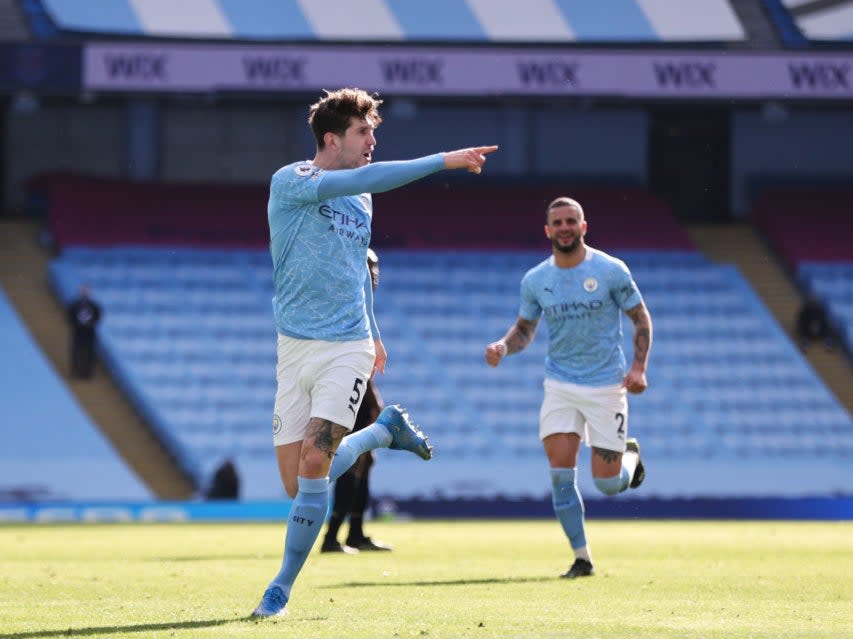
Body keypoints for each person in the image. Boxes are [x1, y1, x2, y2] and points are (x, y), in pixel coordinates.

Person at [252, 87, 498, 618]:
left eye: (374, 133)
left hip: (347, 343)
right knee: (297, 483)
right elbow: (364, 177)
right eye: (364, 133)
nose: (372, 142)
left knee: (316, 461)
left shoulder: (361, 198)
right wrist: (443, 160)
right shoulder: (292, 181)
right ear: (332, 138)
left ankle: (280, 589)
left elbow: (358, 268)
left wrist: (376, 333)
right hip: (294, 347)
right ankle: (384, 431)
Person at [484, 196, 652, 579]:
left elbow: (641, 319)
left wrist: (639, 367)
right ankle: (582, 558)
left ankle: (630, 458)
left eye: (570, 221)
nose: (564, 228)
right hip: (559, 384)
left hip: (606, 385)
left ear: (583, 226)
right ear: (547, 230)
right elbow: (525, 329)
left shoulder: (610, 270)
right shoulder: (536, 280)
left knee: (607, 485)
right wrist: (504, 347)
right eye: (557, 222)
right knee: (561, 474)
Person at [321, 248, 392, 554]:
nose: (373, 275)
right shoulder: (348, 304)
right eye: (368, 268)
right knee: (352, 461)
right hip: (347, 386)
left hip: (357, 385)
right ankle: (332, 536)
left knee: (365, 460)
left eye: (375, 268)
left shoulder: (360, 306)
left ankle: (355, 533)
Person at [66, 284, 102, 379]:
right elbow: (70, 316)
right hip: (78, 332)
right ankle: (75, 372)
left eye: (86, 291)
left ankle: (87, 373)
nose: (85, 293)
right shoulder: (74, 305)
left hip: (89, 332)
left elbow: (98, 316)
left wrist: (89, 323)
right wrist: (77, 324)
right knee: (76, 352)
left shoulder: (94, 306)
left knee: (89, 353)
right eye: (83, 291)